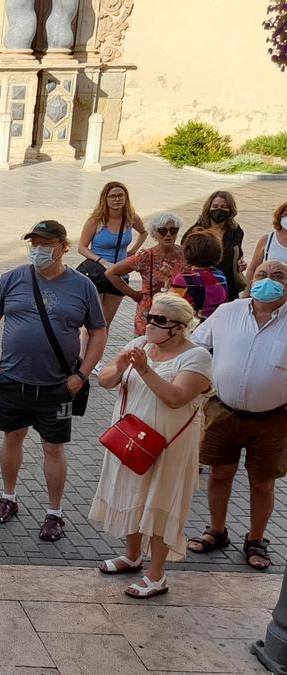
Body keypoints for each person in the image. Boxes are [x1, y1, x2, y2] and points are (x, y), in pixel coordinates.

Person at [0, 220, 107, 542]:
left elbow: (98, 332)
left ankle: (54, 513)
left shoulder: (82, 286)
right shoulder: (12, 279)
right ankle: (8, 497)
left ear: (64, 246)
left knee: (53, 446)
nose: (39, 250)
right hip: (12, 380)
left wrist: (82, 374)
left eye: (46, 243)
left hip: (58, 386)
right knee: (12, 437)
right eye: (34, 243)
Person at [90, 294, 213, 598]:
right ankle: (132, 557)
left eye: (160, 320)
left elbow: (175, 398)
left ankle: (156, 575)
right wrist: (119, 364)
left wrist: (145, 370)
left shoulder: (196, 357)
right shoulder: (138, 345)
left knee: (160, 502)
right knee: (132, 493)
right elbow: (105, 381)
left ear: (180, 327)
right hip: (130, 439)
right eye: (149, 316)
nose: (151, 324)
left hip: (169, 446)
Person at [186, 259, 287, 569]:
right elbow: (196, 345)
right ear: (250, 277)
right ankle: (216, 530)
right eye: (261, 274)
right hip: (222, 412)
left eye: (278, 276)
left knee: (262, 482)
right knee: (218, 474)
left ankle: (256, 539)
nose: (268, 280)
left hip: (273, 419)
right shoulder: (228, 312)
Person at [75, 182, 146, 352]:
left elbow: (144, 232)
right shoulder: (96, 221)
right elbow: (82, 247)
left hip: (119, 274)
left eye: (120, 195)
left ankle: (96, 360)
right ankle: (81, 358)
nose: (117, 199)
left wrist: (133, 252)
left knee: (105, 323)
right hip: (97, 272)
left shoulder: (131, 218)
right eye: (112, 196)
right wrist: (101, 260)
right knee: (92, 322)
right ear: (105, 199)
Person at [105, 211, 187, 336]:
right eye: (163, 231)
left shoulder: (185, 254)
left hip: (178, 312)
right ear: (155, 234)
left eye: (173, 230)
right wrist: (134, 295)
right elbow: (111, 273)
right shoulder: (146, 256)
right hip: (150, 314)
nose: (168, 235)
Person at [182, 190, 245, 301]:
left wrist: (240, 263)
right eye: (215, 206)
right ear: (209, 208)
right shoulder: (197, 231)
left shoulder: (236, 231)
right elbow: (185, 255)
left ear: (230, 209)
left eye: (223, 207)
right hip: (201, 286)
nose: (218, 210)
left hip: (227, 286)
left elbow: (238, 252)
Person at [170, 230, 228, 321]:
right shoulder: (220, 276)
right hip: (216, 325)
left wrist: (166, 284)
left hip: (191, 328)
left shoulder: (184, 279)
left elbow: (169, 306)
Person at [243, 200, 287, 292]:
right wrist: (246, 294)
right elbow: (253, 268)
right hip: (268, 292)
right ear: (280, 216)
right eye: (286, 214)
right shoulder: (268, 239)